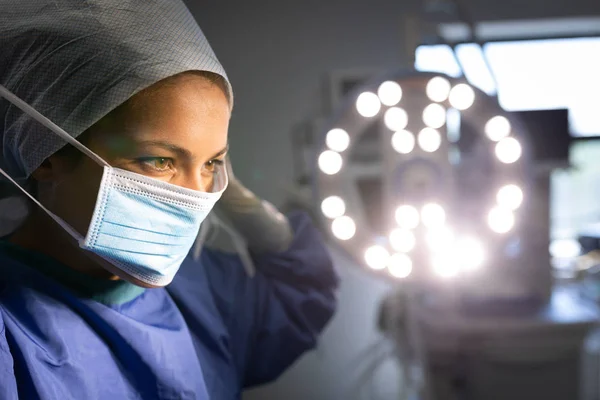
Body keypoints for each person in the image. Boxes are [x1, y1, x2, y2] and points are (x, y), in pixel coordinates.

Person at [0, 1, 339, 399]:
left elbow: (301, 292)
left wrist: (249, 211)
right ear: (48, 154)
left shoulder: (201, 287)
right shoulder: (11, 328)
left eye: (213, 163)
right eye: (160, 161)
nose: (195, 198)